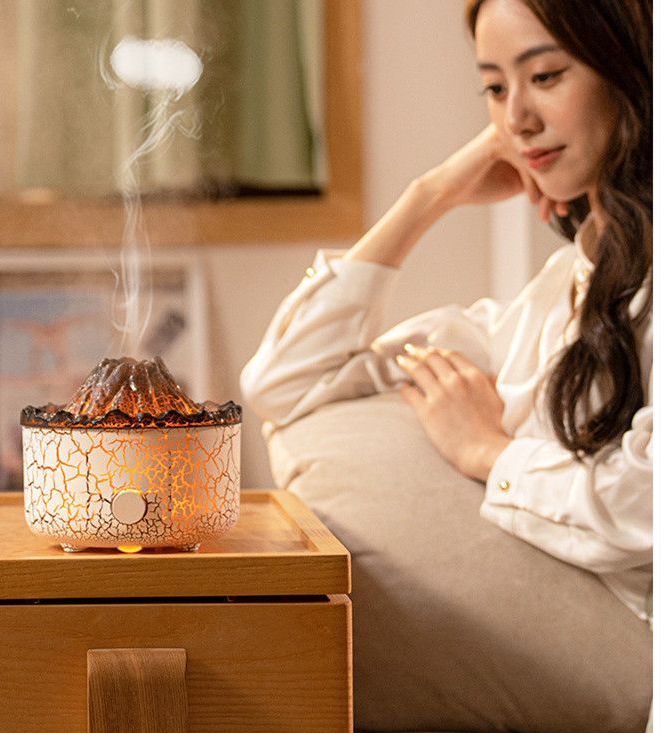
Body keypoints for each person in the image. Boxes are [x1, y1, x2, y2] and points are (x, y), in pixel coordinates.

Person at [240, 0, 652, 624]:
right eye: (493, 87)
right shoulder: (551, 299)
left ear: (628, 70)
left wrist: (488, 454)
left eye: (545, 77)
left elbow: (646, 505)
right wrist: (429, 196)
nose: (516, 118)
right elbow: (282, 381)